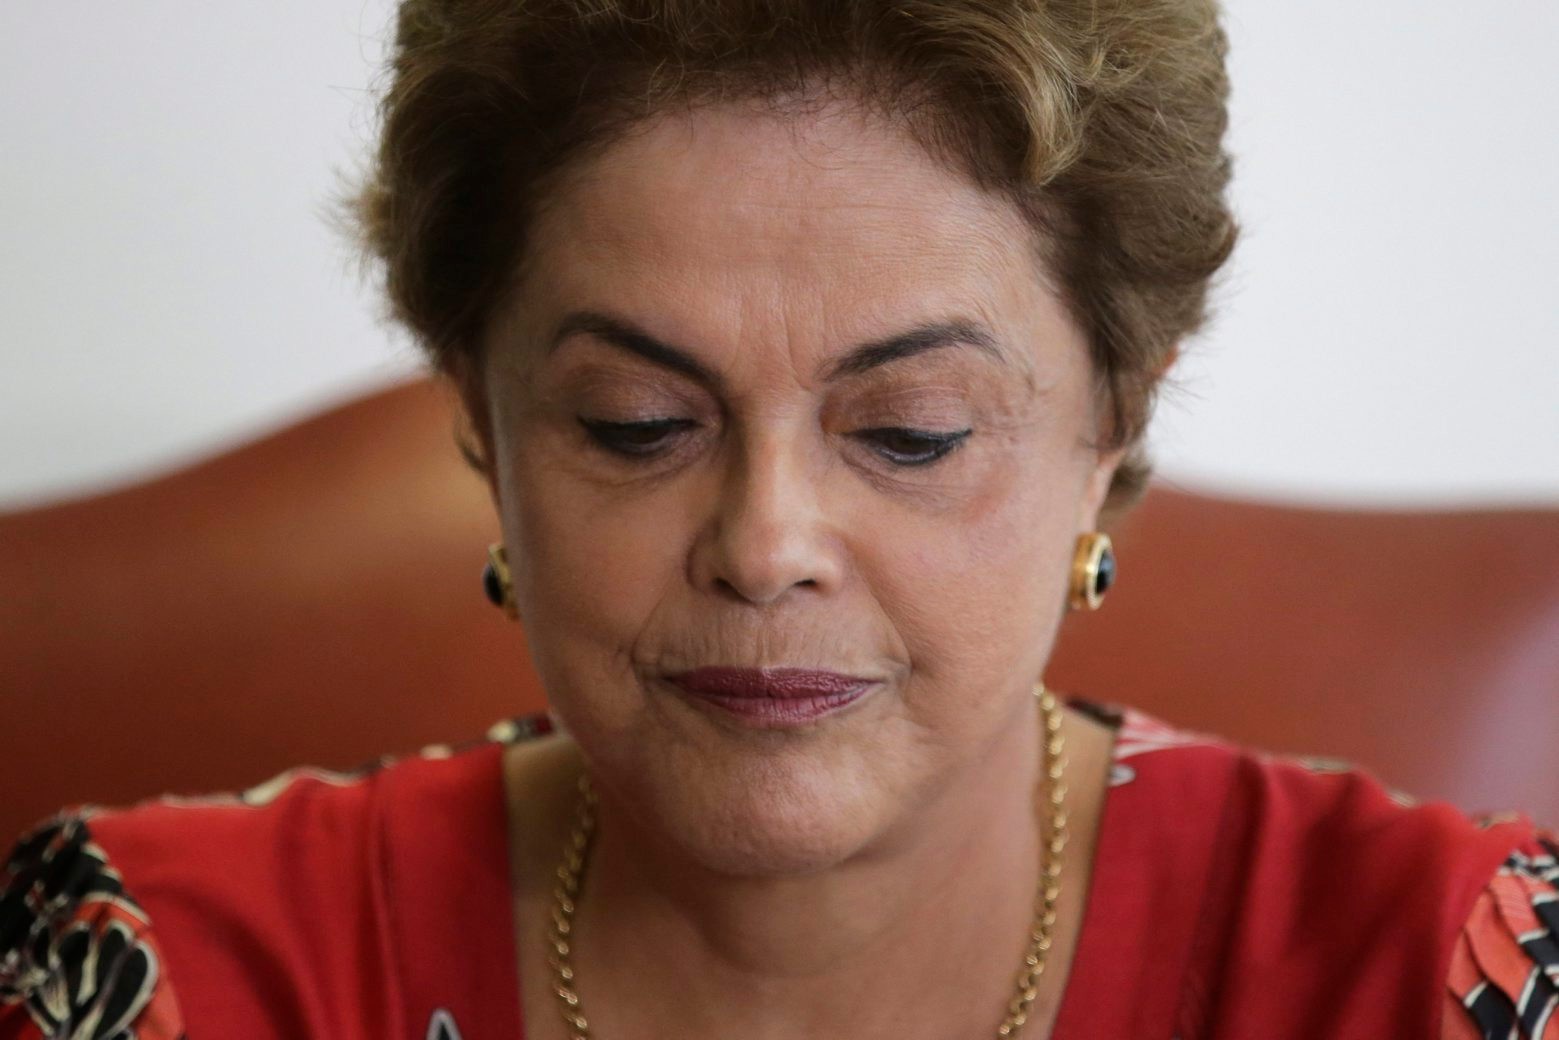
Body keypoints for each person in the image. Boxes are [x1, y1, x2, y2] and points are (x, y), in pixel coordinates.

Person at [2, 1, 1554, 1037]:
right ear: (480, 417)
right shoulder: (168, 976)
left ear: (1112, 430)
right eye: (638, 424)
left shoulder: (1437, 973)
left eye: (911, 432)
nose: (765, 542)